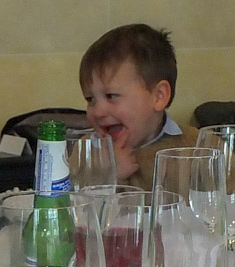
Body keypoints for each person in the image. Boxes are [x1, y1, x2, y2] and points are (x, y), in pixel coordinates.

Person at [79, 23, 195, 187]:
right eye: (90, 99)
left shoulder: (198, 146)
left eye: (111, 96)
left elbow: (232, 197)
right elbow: (69, 200)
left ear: (159, 96)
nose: (98, 111)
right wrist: (109, 177)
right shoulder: (85, 152)